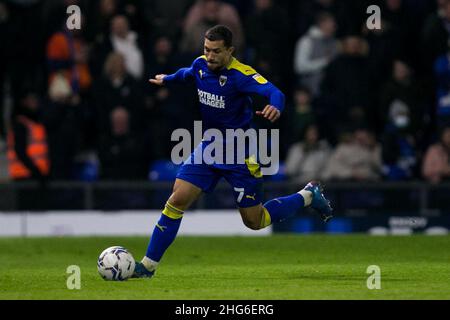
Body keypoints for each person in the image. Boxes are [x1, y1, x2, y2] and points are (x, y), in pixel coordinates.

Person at [132, 25, 333, 278]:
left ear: (230, 51)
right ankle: (147, 267)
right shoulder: (201, 64)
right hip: (209, 147)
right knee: (176, 200)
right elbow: (187, 73)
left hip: (240, 152)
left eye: (216, 51)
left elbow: (275, 92)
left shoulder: (241, 74)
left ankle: (307, 195)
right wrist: (167, 78)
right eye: (206, 50)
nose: (210, 56)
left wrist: (275, 106)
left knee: (254, 221)